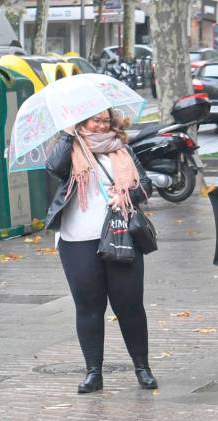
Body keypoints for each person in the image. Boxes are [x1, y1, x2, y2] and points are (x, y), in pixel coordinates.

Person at [44, 108, 155, 393]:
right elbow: (53, 168)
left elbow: (145, 186)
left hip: (120, 234)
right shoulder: (68, 149)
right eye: (96, 120)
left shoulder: (121, 150)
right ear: (81, 122)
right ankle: (93, 372)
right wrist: (68, 135)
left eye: (106, 120)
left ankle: (142, 368)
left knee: (129, 305)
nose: (102, 124)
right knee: (89, 307)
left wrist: (125, 194)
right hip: (77, 240)